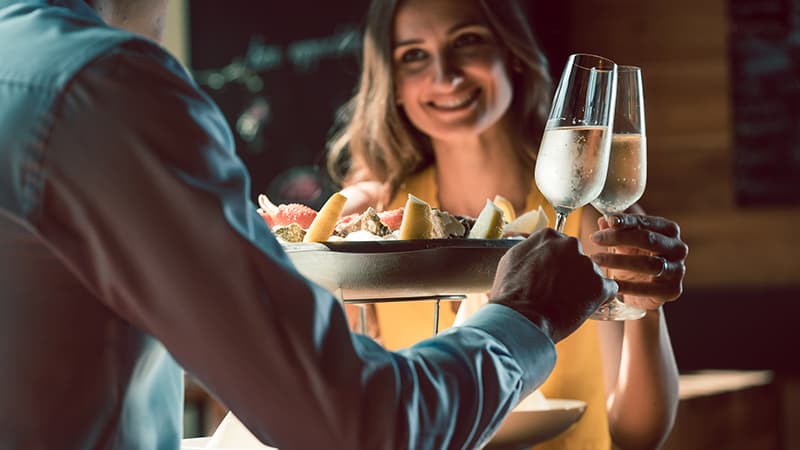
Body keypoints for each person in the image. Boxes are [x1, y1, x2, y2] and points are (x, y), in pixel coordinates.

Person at [0, 1, 619, 449]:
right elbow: (352, 422)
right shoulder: (105, 87)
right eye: (414, 57)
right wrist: (524, 318)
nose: (445, 77)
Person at [327, 0, 689, 449]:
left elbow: (639, 435)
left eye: (467, 41)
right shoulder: (375, 226)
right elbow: (349, 408)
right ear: (393, 84)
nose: (445, 74)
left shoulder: (586, 217)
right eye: (413, 55)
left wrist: (645, 309)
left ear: (512, 54)